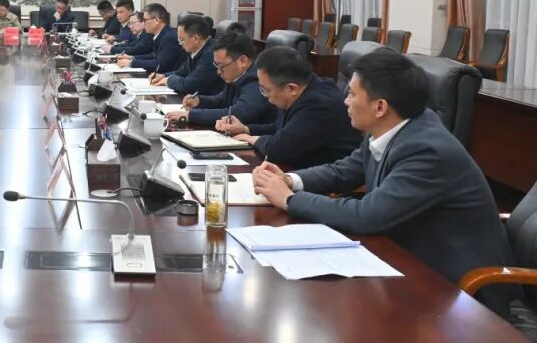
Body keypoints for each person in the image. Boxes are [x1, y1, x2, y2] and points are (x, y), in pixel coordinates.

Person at [253, 48, 519, 316]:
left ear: (379, 107)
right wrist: (291, 180)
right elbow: (346, 169)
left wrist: (289, 199)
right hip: (411, 258)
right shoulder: (394, 126)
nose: (345, 101)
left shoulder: (426, 150)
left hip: (463, 293)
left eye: (352, 94)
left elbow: (367, 216)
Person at [221, 46, 361, 169]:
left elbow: (278, 150)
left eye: (265, 90)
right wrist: (246, 129)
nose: (264, 95)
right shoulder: (301, 87)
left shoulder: (318, 105)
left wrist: (253, 139)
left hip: (329, 180)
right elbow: (282, 130)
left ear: (291, 88)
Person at [168, 31, 272, 129]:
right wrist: (199, 101)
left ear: (242, 61)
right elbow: (223, 100)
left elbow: (239, 113)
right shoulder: (237, 75)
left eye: (221, 66)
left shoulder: (257, 80)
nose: (218, 71)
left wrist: (190, 115)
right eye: (216, 66)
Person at [151, 14, 224, 97]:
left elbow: (190, 85)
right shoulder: (195, 50)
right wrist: (163, 76)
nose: (179, 43)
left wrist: (168, 80)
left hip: (209, 101)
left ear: (196, 38)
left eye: (182, 39)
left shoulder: (211, 54)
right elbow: (181, 72)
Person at [116, 3, 186, 74]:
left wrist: (131, 63)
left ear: (157, 20)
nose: (143, 23)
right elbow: (153, 56)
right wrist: (132, 58)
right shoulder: (161, 34)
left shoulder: (169, 37)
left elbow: (159, 64)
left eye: (145, 20)